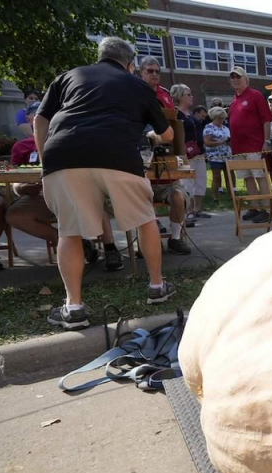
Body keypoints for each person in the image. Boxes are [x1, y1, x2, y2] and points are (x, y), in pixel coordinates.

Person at [34, 37, 176, 330]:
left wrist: (44, 160)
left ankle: (74, 308)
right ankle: (156, 287)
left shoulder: (69, 76)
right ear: (130, 64)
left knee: (69, 230)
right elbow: (169, 135)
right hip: (119, 155)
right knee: (145, 219)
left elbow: (40, 119)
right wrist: (153, 135)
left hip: (64, 153)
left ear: (99, 56)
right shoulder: (137, 85)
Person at [8, 102, 125, 270]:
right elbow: (14, 180)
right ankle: (78, 244)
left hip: (73, 192)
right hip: (39, 196)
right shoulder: (20, 147)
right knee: (14, 216)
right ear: (29, 118)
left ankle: (110, 249)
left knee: (95, 199)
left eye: (49, 113)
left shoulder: (71, 139)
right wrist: (23, 188)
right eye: (38, 113)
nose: (45, 117)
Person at [139, 56, 194, 243]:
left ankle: (176, 239)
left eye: (157, 71)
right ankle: (150, 238)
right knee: (142, 198)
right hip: (142, 160)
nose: (154, 74)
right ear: (141, 72)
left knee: (178, 196)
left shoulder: (164, 94)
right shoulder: (134, 92)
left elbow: (173, 126)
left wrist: (181, 159)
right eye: (150, 70)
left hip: (167, 159)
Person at [228, 66, 272, 224]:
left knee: (259, 176)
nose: (235, 80)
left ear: (246, 79)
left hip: (254, 145)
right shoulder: (234, 100)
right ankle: (255, 208)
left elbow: (266, 119)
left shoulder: (255, 95)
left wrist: (266, 141)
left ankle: (267, 209)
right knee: (247, 177)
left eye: (238, 77)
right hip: (238, 149)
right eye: (232, 77)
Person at [171, 84, 209, 222]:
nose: (191, 97)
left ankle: (198, 209)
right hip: (183, 156)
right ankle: (188, 210)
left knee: (200, 182)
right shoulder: (175, 114)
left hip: (199, 154)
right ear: (179, 96)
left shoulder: (191, 115)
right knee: (186, 183)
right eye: (188, 94)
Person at [203, 106, 231, 202]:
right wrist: (220, 142)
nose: (221, 120)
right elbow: (207, 142)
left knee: (229, 176)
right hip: (215, 156)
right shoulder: (209, 128)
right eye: (219, 118)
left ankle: (231, 196)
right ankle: (215, 197)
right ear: (214, 117)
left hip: (227, 155)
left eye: (223, 118)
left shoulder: (225, 128)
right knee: (216, 177)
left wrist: (228, 142)